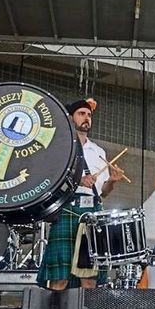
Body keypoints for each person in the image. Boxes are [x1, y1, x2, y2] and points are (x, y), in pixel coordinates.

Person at [37, 98, 124, 290]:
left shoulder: (98, 151)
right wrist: (77, 181)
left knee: (90, 277)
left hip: (92, 210)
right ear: (70, 118)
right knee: (60, 277)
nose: (86, 118)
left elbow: (104, 193)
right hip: (68, 208)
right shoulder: (60, 147)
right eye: (81, 114)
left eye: (89, 115)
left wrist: (112, 181)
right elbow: (48, 180)